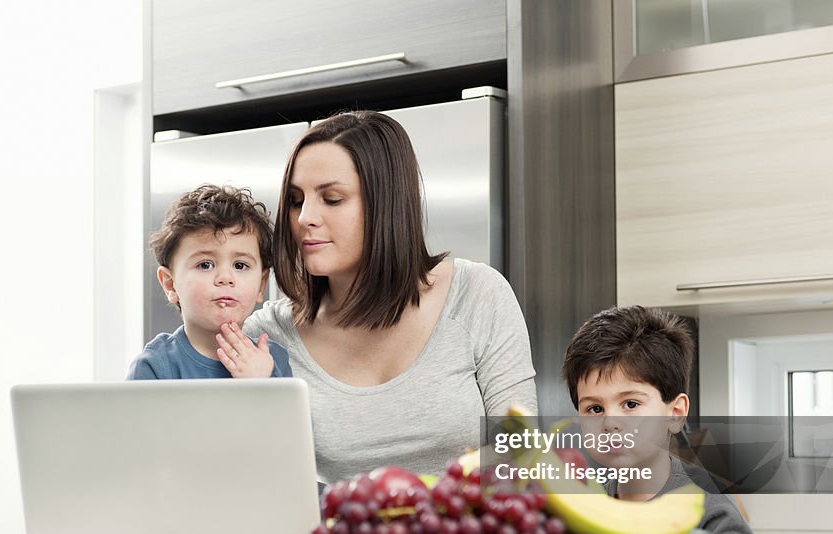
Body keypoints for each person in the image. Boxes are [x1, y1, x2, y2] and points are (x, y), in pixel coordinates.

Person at [221, 111, 537, 482]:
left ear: (386, 203)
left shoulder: (479, 294)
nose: (304, 217)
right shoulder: (268, 335)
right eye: (295, 200)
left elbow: (523, 455)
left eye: (332, 199)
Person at [562, 305, 769, 534]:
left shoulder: (705, 496)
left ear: (675, 413)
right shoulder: (587, 501)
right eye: (595, 409)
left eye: (631, 404)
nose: (610, 423)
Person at [127, 184, 292, 380]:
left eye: (240, 266)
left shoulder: (273, 360)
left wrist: (262, 383)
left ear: (261, 284)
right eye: (205, 265)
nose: (225, 278)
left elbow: (286, 412)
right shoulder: (154, 366)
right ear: (170, 284)